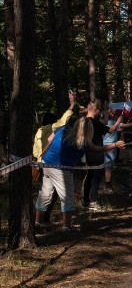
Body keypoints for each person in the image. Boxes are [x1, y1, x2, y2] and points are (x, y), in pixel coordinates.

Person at [35, 117, 126, 231]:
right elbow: (99, 149)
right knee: (67, 198)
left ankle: (38, 222)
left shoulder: (62, 128)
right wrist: (115, 145)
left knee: (45, 193)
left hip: (46, 164)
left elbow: (49, 139)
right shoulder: (83, 142)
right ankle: (67, 227)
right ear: (89, 130)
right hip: (61, 170)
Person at [32, 91, 78, 228]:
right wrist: (72, 104)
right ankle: (65, 225)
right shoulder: (54, 127)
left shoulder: (38, 131)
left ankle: (39, 221)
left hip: (42, 164)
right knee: (63, 195)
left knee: (45, 194)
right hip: (54, 163)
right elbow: (64, 120)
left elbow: (35, 150)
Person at [83, 99, 123, 210]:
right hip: (97, 151)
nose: (99, 112)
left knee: (89, 176)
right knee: (96, 177)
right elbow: (110, 130)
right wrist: (118, 121)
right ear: (95, 110)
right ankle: (93, 201)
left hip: (87, 152)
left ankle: (86, 200)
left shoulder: (84, 121)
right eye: (98, 110)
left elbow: (103, 125)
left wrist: (105, 113)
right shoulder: (94, 123)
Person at [103, 108, 132, 193]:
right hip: (112, 147)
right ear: (113, 115)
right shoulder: (115, 123)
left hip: (101, 147)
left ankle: (105, 183)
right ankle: (107, 185)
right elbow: (127, 125)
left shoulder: (102, 122)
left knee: (103, 166)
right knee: (108, 167)